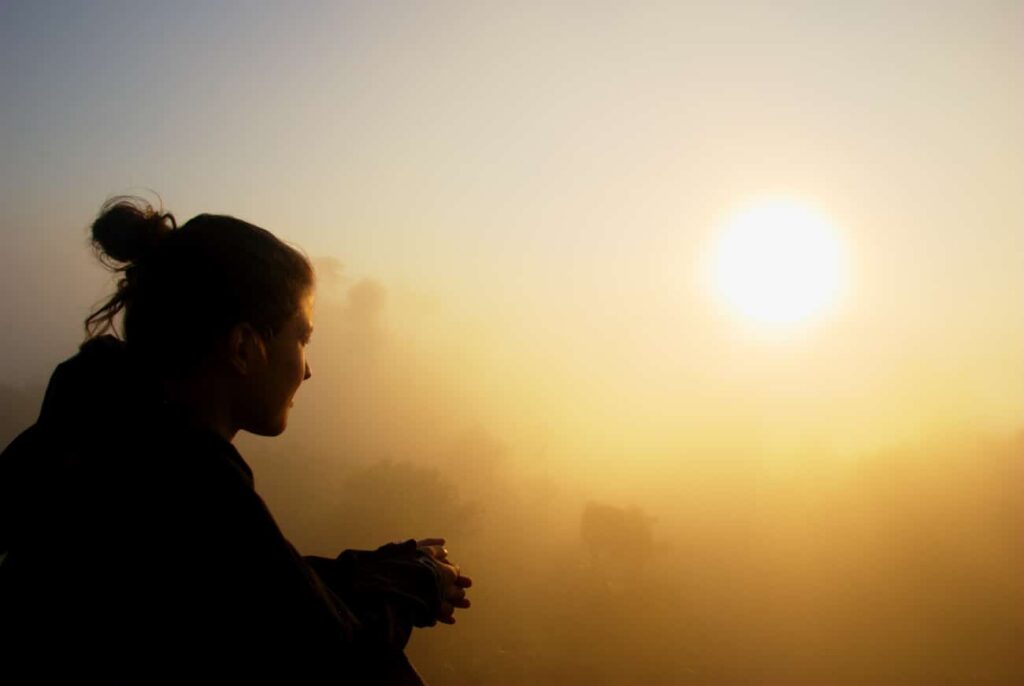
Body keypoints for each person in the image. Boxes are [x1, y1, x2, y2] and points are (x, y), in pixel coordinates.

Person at [0, 197, 471, 683]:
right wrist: (418, 584)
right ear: (244, 347)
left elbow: (248, 588)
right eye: (301, 337)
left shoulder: (98, 419)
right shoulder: (182, 475)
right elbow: (330, 652)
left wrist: (381, 572)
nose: (308, 369)